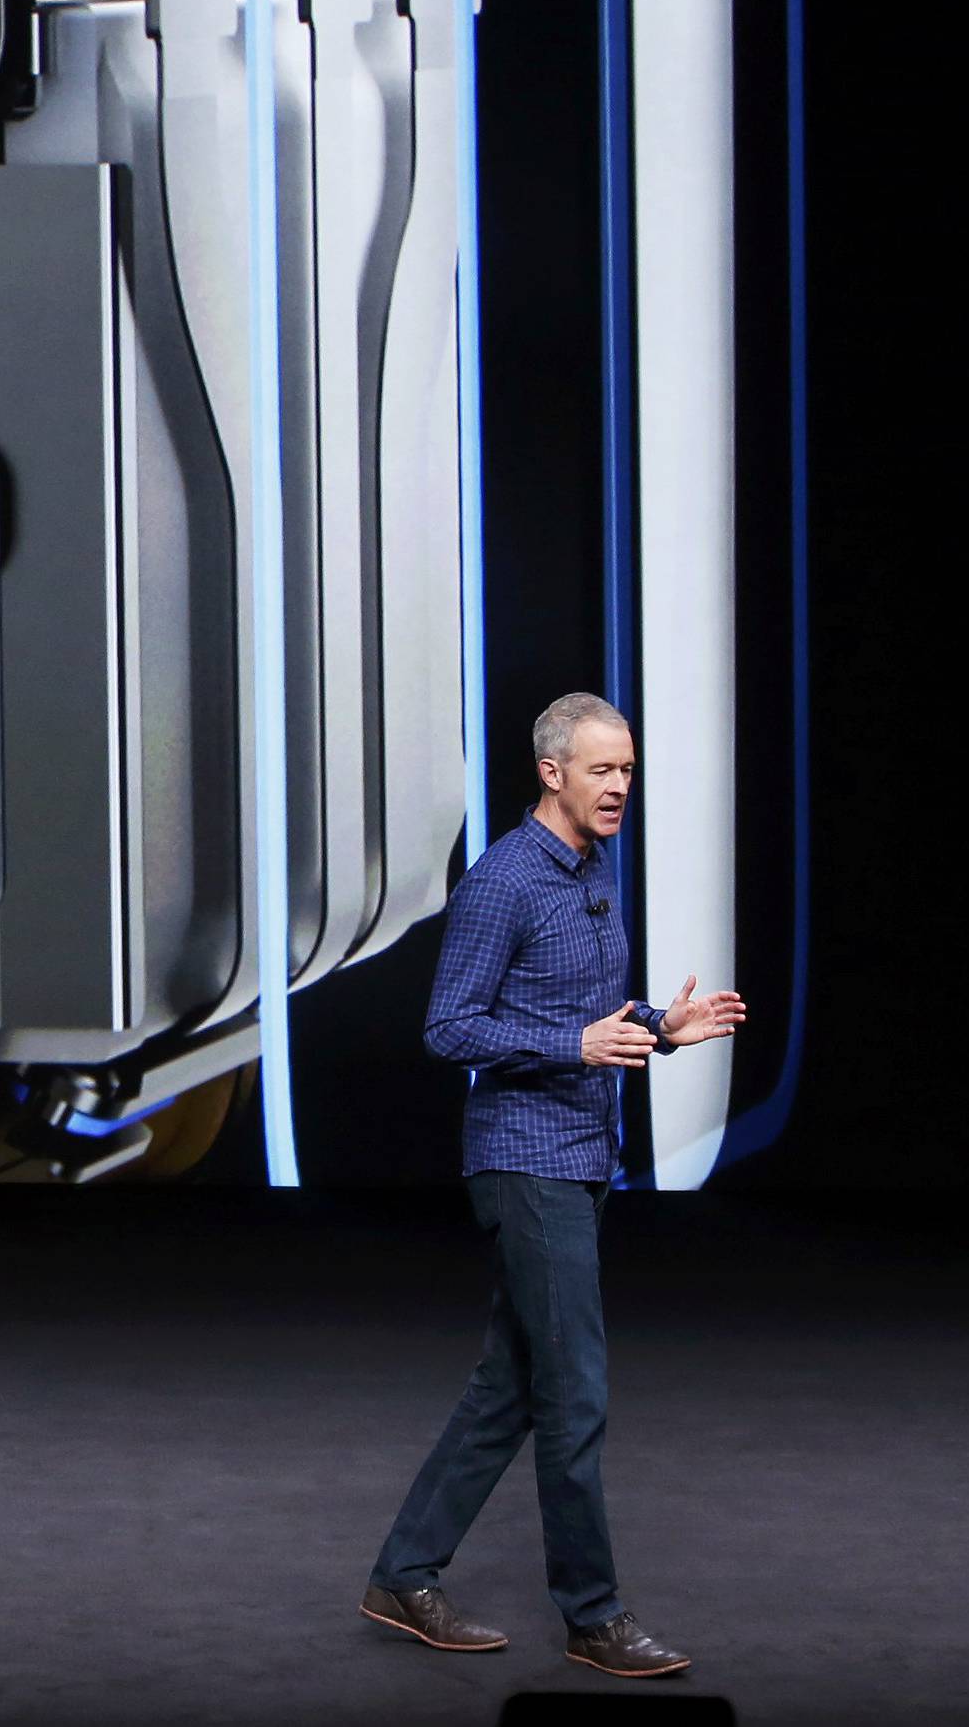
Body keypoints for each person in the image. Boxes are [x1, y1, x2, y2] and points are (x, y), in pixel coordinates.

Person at [360, 691, 744, 1676]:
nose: (620, 785)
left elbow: (588, 1009)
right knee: (574, 1390)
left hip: (581, 1157)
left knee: (513, 1385)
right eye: (602, 769)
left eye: (628, 768)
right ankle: (594, 1616)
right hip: (524, 1159)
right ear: (551, 772)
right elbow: (449, 1026)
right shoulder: (504, 881)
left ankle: (404, 1571)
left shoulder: (591, 864)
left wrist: (661, 1025)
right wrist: (569, 1043)